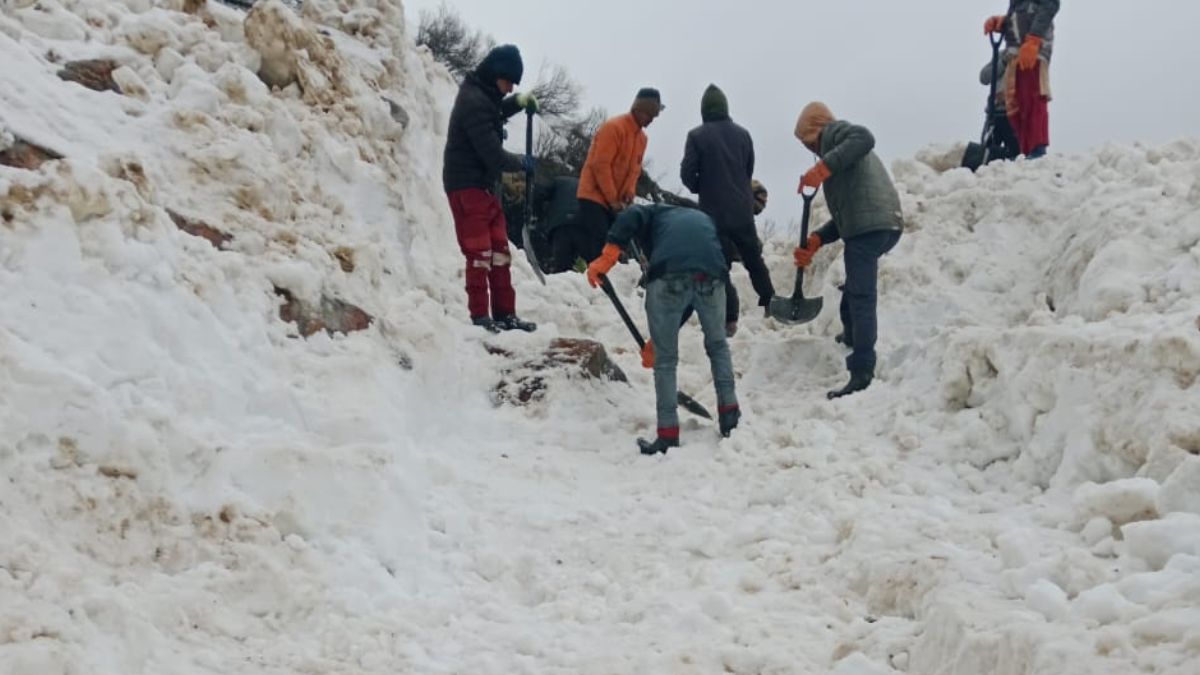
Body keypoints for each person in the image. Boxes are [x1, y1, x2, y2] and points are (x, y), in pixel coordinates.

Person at [585, 205, 740, 454]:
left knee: (665, 361)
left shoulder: (652, 213)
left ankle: (667, 435)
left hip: (669, 277)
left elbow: (630, 215)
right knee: (718, 346)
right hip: (712, 277)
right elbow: (694, 292)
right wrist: (657, 339)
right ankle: (730, 418)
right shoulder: (704, 219)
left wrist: (609, 253)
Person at [792, 102, 902, 399]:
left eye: (808, 142)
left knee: (862, 295)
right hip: (882, 224)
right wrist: (817, 238)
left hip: (869, 230)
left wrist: (822, 167)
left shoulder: (837, 135)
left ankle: (862, 369)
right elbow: (849, 213)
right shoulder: (841, 159)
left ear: (817, 130)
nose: (811, 150)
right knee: (854, 286)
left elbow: (865, 137)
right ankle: (852, 335)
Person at [442, 43, 539, 333]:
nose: (509, 89)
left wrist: (518, 102)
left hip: (483, 187)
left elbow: (495, 111)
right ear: (496, 74)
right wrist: (521, 162)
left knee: (500, 252)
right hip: (465, 186)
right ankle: (480, 317)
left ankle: (505, 314)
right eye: (509, 82)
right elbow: (494, 156)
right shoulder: (473, 100)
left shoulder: (484, 94)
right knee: (480, 253)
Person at [680, 84, 776, 337]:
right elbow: (748, 169)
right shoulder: (743, 135)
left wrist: (704, 186)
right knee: (754, 259)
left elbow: (687, 174)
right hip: (742, 209)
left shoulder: (696, 136)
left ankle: (730, 318)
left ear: (704, 111)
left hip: (713, 213)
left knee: (719, 265)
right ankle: (770, 302)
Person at [575, 88, 665, 263]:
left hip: (616, 203)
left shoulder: (642, 139)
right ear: (639, 110)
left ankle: (613, 279)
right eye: (649, 114)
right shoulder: (614, 128)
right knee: (601, 245)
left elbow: (634, 171)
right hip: (593, 197)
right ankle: (597, 282)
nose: (651, 120)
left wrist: (628, 195)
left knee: (616, 244)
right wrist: (612, 199)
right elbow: (600, 165)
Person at [984, 0, 1060, 159]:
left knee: (1032, 100)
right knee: (1015, 104)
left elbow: (1051, 5)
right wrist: (1002, 22)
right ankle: (1025, 151)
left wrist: (1034, 39)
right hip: (1015, 53)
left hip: (1033, 52)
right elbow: (1020, 18)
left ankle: (1037, 150)